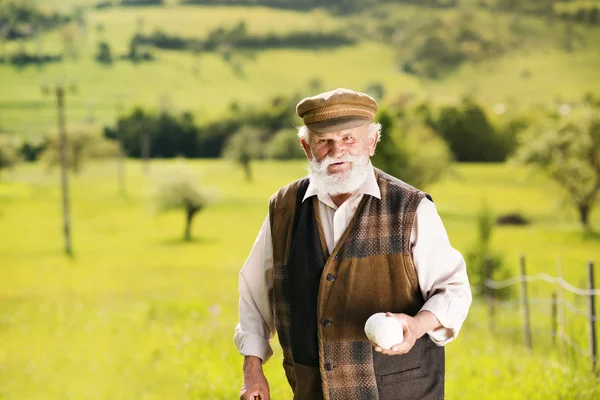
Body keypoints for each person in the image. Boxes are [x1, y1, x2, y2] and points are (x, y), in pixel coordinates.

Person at [234, 88, 472, 400]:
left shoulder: (410, 208)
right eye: (324, 141)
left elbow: (454, 290)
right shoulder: (283, 208)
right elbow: (254, 296)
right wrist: (253, 370)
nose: (337, 151)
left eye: (349, 139)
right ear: (307, 147)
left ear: (371, 142)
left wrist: (415, 326)